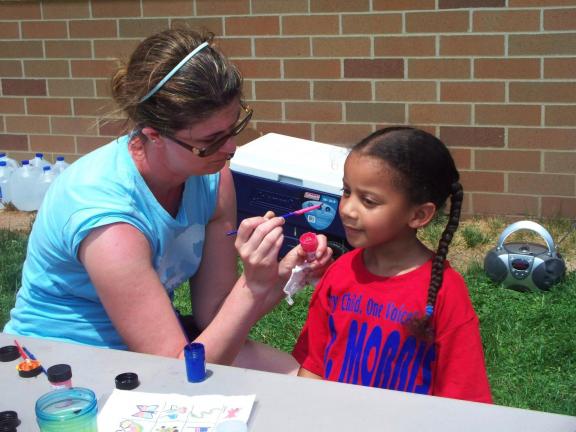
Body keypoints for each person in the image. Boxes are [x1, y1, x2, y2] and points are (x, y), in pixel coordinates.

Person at [3, 27, 331, 373]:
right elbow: (179, 373)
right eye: (210, 139)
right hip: (58, 364)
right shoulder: (107, 216)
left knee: (307, 383)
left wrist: (284, 273)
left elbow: (216, 315)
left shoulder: (211, 177)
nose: (231, 148)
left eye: (234, 127)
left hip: (162, 353)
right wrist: (253, 286)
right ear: (153, 135)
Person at [293, 127, 492, 402]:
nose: (347, 209)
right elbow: (314, 367)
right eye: (347, 191)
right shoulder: (339, 273)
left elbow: (464, 401)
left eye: (368, 201)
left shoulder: (447, 292)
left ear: (419, 214)